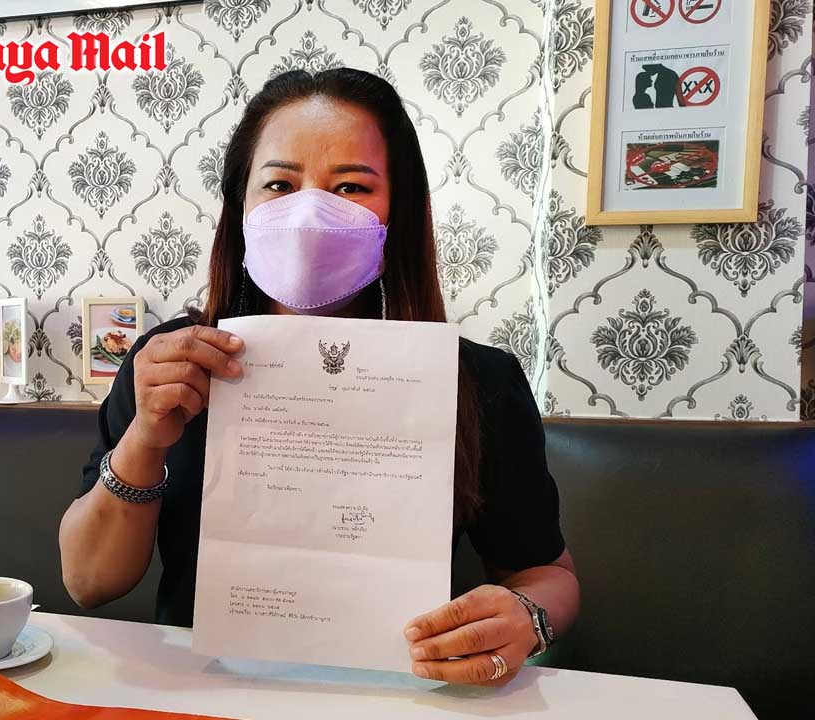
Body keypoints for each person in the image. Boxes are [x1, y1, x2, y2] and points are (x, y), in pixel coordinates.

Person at [59, 68, 579, 687]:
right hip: (204, 691)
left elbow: (548, 575)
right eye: (280, 184)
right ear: (240, 207)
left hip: (402, 692)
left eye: (351, 187)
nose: (309, 213)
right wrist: (145, 438)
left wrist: (526, 617)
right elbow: (89, 583)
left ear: (398, 212)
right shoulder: (170, 364)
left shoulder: (477, 382)